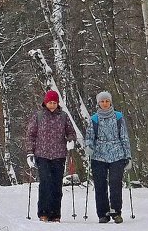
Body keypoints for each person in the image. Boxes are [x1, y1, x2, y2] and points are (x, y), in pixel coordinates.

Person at [25, 89, 77, 222]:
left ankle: (55, 213)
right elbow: (31, 135)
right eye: (50, 102)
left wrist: (71, 140)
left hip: (59, 155)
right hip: (42, 154)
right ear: (45, 102)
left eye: (54, 102)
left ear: (58, 103)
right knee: (45, 183)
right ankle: (43, 212)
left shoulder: (64, 116)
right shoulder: (38, 116)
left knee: (56, 185)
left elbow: (71, 132)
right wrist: (30, 152)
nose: (52, 105)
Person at [85, 90, 132, 223]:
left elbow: (124, 136)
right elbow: (89, 135)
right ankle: (103, 213)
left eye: (107, 101)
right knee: (100, 185)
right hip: (98, 155)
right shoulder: (94, 118)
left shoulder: (118, 117)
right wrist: (88, 146)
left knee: (115, 183)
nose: (105, 104)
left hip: (117, 154)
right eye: (102, 101)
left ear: (110, 102)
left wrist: (128, 156)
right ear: (98, 103)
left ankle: (116, 211)